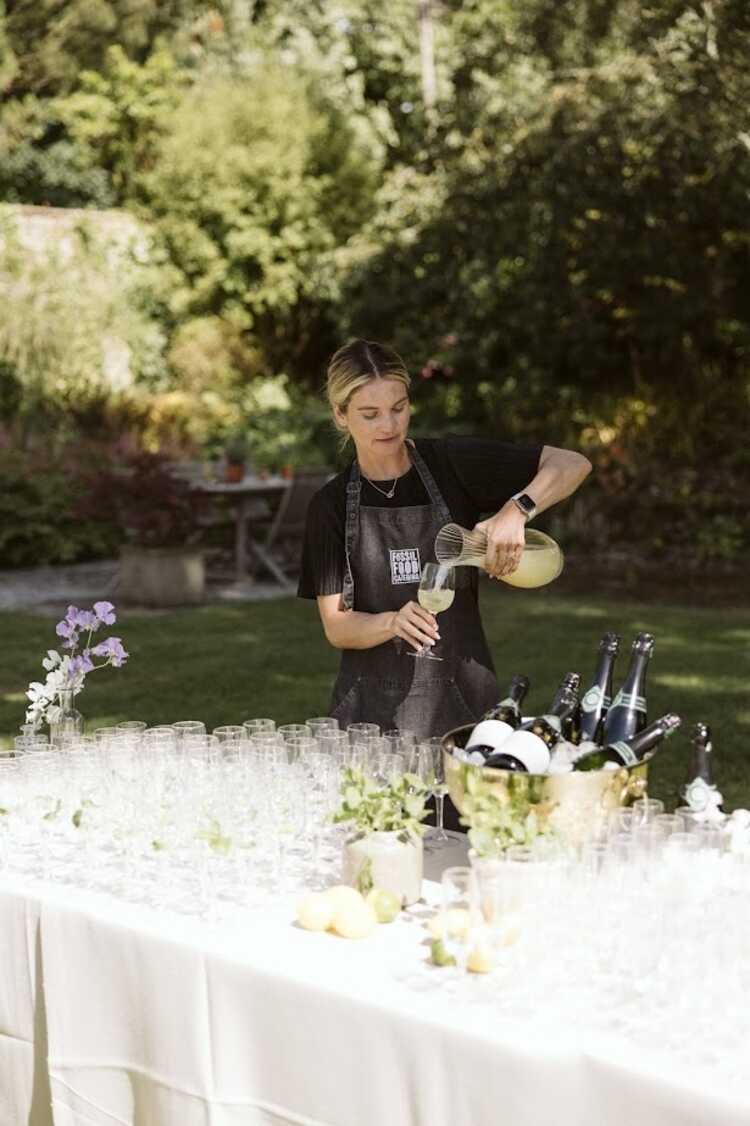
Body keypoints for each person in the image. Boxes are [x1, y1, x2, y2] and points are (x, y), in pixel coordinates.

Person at [298, 338, 592, 740]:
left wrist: (516, 510)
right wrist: (392, 622)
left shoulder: (452, 465)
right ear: (340, 415)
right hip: (370, 716)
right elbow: (337, 626)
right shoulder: (329, 506)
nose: (389, 425)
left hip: (462, 700)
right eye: (370, 414)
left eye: (398, 408)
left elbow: (573, 464)